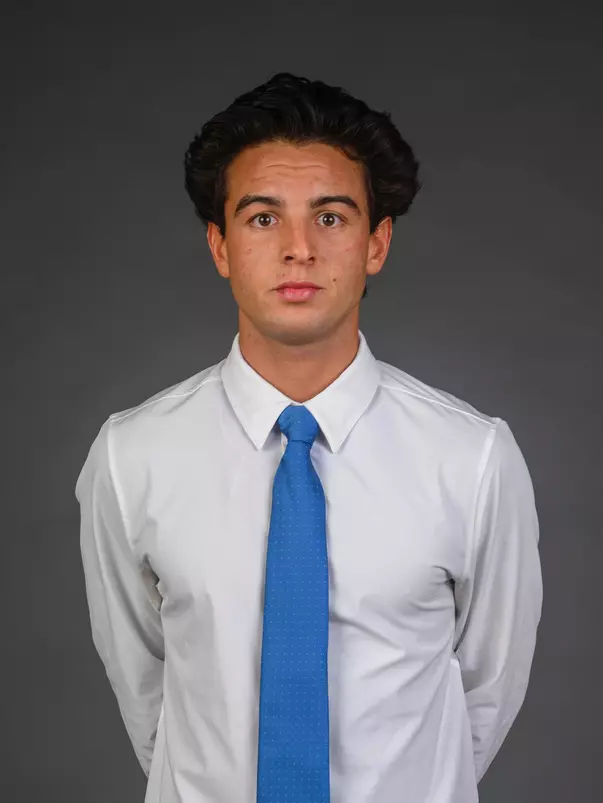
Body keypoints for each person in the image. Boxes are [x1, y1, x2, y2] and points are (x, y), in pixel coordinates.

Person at [75, 72, 543, 803]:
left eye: (330, 217)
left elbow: (486, 691)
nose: (298, 249)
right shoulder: (131, 456)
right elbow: (145, 689)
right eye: (263, 218)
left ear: (376, 243)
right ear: (220, 245)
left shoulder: (472, 458)